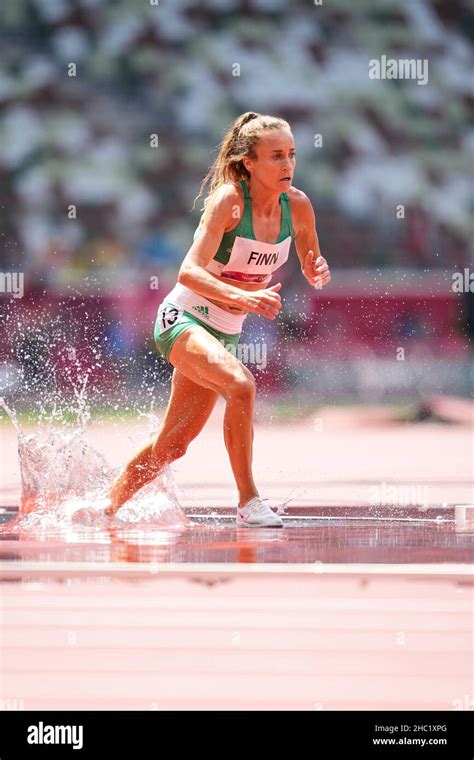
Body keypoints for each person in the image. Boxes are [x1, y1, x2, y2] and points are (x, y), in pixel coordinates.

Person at [105, 112, 331, 526]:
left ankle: (105, 507)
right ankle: (249, 500)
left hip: (224, 332)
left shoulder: (298, 206)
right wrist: (244, 295)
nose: (287, 165)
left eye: (292, 155)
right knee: (241, 385)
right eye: (275, 156)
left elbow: (309, 258)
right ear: (250, 163)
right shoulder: (228, 201)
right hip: (183, 318)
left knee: (173, 446)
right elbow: (189, 271)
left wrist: (317, 270)